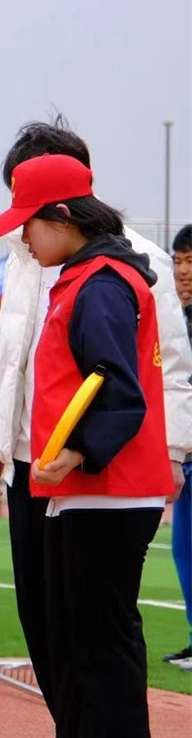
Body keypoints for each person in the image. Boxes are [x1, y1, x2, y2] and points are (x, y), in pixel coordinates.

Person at [0, 121, 192, 738]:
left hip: (100, 469)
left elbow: (164, 368)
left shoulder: (129, 263)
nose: (23, 223)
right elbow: (13, 366)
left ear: (70, 195)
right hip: (31, 460)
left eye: (30, 198)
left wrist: (171, 451)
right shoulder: (25, 258)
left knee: (95, 618)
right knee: (42, 612)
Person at [170, 224, 192, 670]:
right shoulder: (176, 318)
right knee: (184, 550)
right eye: (178, 261)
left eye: (191, 261)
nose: (183, 270)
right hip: (186, 456)